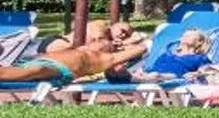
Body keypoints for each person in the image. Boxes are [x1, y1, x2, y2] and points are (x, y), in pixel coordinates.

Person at [1, 32, 148, 85]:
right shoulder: (81, 48)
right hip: (33, 63)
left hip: (58, 70)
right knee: (34, 68)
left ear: (109, 48)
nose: (97, 40)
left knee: (38, 70)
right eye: (97, 40)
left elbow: (141, 48)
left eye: (103, 42)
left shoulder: (108, 58)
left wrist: (124, 44)